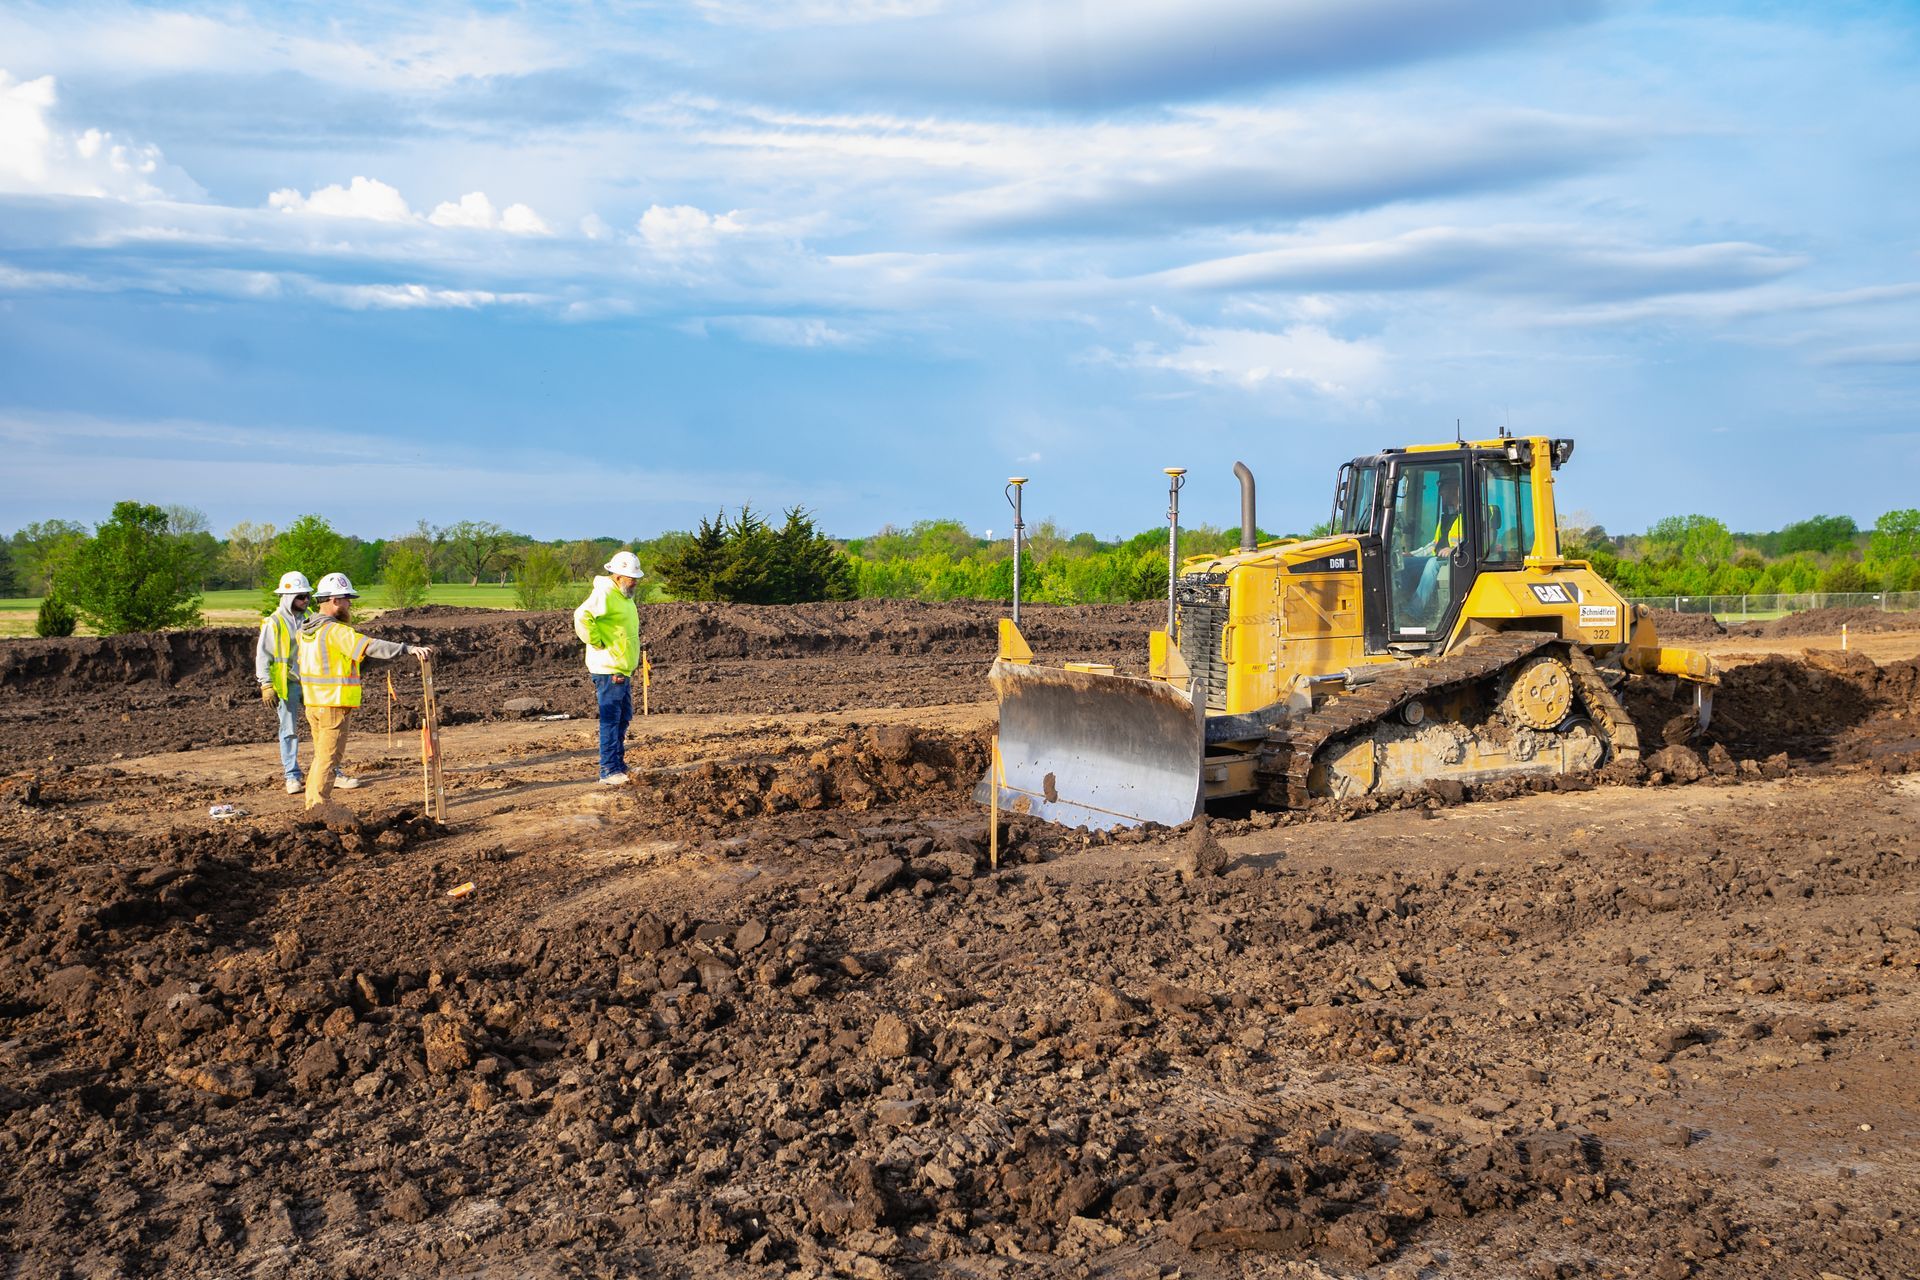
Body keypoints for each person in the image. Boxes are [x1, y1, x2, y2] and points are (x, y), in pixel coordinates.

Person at [295, 572, 432, 810]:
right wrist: (407, 648)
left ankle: (312, 804)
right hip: (333, 705)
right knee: (329, 759)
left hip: (314, 704)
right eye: (347, 599)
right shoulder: (334, 631)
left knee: (320, 757)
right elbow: (370, 646)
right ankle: (318, 807)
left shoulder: (307, 631)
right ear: (335, 600)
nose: (350, 604)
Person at [256, 571, 365, 796]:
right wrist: (266, 684)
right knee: (289, 731)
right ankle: (292, 776)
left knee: (324, 731)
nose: (306, 601)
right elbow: (262, 655)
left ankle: (330, 772)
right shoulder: (274, 623)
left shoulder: (311, 619)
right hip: (288, 684)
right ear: (287, 598)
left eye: (307, 596)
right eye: (300, 597)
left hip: (312, 683)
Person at [572, 550, 644, 785]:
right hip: (609, 668)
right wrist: (596, 640)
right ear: (616, 575)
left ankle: (618, 764)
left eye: (636, 577)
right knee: (611, 719)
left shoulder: (623, 595)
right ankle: (609, 770)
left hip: (622, 667)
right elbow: (582, 616)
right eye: (630, 577)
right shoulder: (604, 593)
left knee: (623, 718)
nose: (634, 581)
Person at [1410, 471, 1465, 622]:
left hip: (1460, 561)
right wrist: (1412, 555)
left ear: (1457, 488)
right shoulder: (1448, 517)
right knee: (1405, 564)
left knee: (1432, 563)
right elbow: (1434, 545)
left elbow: (1476, 542)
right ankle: (1400, 611)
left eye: (1443, 488)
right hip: (1442, 558)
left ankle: (1414, 611)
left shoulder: (1471, 514)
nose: (1440, 493)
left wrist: (1454, 549)